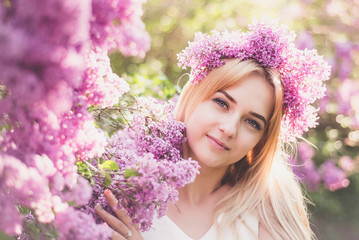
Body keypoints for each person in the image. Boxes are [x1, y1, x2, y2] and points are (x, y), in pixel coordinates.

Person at [95, 20, 330, 240]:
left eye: (252, 122)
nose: (229, 129)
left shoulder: (267, 216)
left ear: (260, 140)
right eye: (221, 103)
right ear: (194, 96)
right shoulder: (122, 186)